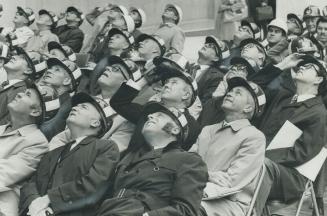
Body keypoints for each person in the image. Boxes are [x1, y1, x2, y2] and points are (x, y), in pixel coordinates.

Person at [95, 102, 208, 216]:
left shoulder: (188, 160)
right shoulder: (129, 156)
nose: (150, 116)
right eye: (151, 115)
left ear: (175, 130)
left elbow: (186, 210)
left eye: (160, 116)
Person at [19, 92, 119, 216]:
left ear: (95, 123)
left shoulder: (106, 147)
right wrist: (34, 202)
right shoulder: (54, 152)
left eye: (83, 107)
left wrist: (49, 200)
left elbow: (93, 186)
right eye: (76, 106)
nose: (75, 107)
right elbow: (31, 183)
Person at [251, 54, 327, 215]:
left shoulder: (318, 112)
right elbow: (251, 89)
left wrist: (259, 155)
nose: (302, 67)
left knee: (259, 166)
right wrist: (282, 65)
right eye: (302, 65)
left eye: (309, 67)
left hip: (290, 175)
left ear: (318, 80)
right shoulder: (283, 97)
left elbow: (302, 152)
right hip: (259, 162)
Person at [192, 77, 266, 216]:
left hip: (228, 203)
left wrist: (197, 178)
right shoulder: (207, 130)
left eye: (238, 93)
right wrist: (207, 175)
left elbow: (231, 180)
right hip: (195, 192)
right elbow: (187, 164)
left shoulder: (254, 136)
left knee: (184, 209)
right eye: (230, 91)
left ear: (248, 108)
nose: (230, 93)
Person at [50, 56, 136, 153]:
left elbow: (108, 153)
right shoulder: (84, 99)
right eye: (109, 66)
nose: (107, 68)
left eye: (116, 69)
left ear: (128, 83)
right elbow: (62, 137)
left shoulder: (126, 119)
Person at [0, 83, 48, 216]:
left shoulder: (38, 142)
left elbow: (4, 174)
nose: (19, 93)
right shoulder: (2, 127)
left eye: (27, 94)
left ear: (35, 111)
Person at [188, 35, 225, 103]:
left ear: (216, 58)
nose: (206, 45)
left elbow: (206, 103)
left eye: (212, 47)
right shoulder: (185, 65)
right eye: (207, 43)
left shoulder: (217, 77)